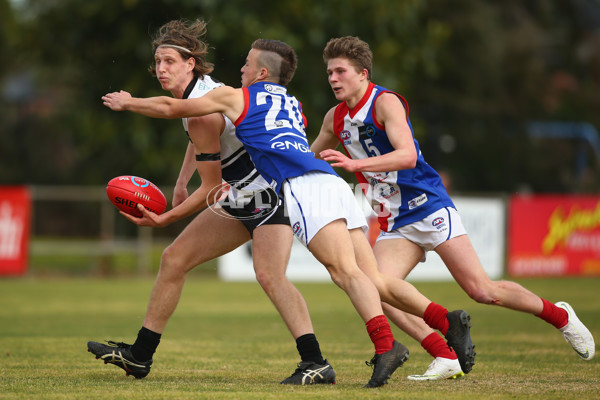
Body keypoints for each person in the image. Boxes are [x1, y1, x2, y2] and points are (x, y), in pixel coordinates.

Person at [101, 38, 476, 388]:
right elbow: (203, 136)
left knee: (341, 273)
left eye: (247, 65)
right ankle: (444, 326)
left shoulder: (232, 97)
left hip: (291, 188)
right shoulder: (287, 99)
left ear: (260, 72)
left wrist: (128, 102)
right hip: (324, 183)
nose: (242, 71)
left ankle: (383, 347)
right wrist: (183, 179)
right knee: (364, 277)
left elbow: (178, 114)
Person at [311, 35, 595, 380]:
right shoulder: (334, 119)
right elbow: (309, 158)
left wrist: (356, 167)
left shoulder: (385, 103)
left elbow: (408, 155)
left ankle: (560, 316)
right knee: (377, 290)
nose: (333, 79)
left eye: (340, 71)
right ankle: (444, 355)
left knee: (482, 291)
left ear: (363, 74)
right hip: (395, 221)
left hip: (427, 206)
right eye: (329, 73)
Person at [87, 19, 336, 386]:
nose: (160, 69)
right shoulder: (203, 95)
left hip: (266, 196)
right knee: (174, 259)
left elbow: (211, 187)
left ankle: (316, 362)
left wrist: (166, 218)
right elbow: (197, 137)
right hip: (244, 195)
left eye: (169, 61)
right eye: (157, 61)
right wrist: (180, 182)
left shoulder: (203, 106)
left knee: (270, 276)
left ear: (190, 64)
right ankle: (140, 356)